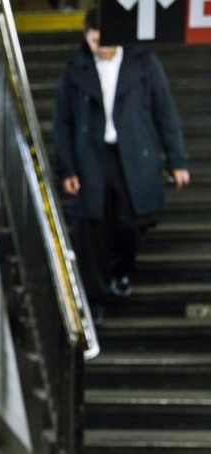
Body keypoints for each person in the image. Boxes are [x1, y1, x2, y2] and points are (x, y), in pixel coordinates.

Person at [53, 9, 190, 324]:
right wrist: (67, 169)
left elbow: (164, 111)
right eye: (92, 39)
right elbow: (63, 124)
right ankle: (96, 298)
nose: (98, 46)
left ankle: (123, 270)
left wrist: (177, 159)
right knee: (93, 231)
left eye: (103, 40)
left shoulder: (143, 63)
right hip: (91, 158)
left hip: (133, 155)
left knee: (132, 221)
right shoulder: (75, 71)